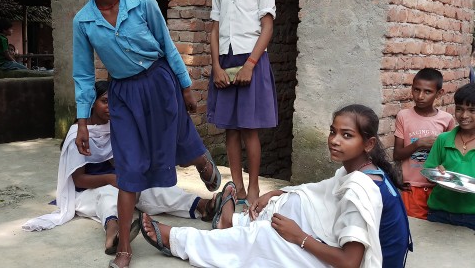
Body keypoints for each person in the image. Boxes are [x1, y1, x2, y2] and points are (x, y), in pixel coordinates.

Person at [72, 0, 221, 268]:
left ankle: (201, 162)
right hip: (123, 94)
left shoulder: (143, 2)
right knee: (129, 169)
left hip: (159, 81)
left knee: (177, 135)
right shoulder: (82, 22)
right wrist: (82, 122)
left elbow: (167, 46)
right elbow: (82, 75)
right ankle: (125, 247)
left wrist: (185, 87)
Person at [140, 104, 412, 268]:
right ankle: (231, 223)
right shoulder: (362, 170)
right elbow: (322, 193)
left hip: (361, 264)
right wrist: (279, 192)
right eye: (332, 131)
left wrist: (299, 237)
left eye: (347, 135)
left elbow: (350, 262)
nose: (334, 140)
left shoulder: (361, 189)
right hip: (347, 254)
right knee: (293, 202)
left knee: (267, 238)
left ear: (368, 144)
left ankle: (180, 240)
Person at [22, 81, 219, 254]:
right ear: (91, 104)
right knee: (107, 195)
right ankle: (113, 233)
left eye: (114, 102)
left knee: (150, 186)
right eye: (105, 101)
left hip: (117, 182)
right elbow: (78, 180)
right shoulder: (78, 135)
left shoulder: (115, 126)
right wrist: (110, 179)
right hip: (86, 193)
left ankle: (202, 206)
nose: (110, 107)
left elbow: (123, 162)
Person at [207, 0, 278, 208]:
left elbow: (268, 27)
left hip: (252, 59)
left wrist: (251, 63)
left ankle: (254, 186)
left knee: (250, 128)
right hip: (225, 60)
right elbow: (214, 30)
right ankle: (235, 185)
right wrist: (216, 67)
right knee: (231, 128)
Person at [393, 68, 455, 219]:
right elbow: (397, 154)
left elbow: (451, 155)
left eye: (427, 92)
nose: (420, 96)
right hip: (412, 187)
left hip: (438, 188)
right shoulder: (404, 116)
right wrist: (418, 144)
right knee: (415, 232)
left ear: (439, 93)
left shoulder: (447, 120)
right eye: (416, 90)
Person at [423, 82, 475, 230]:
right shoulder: (443, 139)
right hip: (439, 213)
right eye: (459, 109)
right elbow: (428, 171)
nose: (464, 116)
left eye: (472, 110)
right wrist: (436, 173)